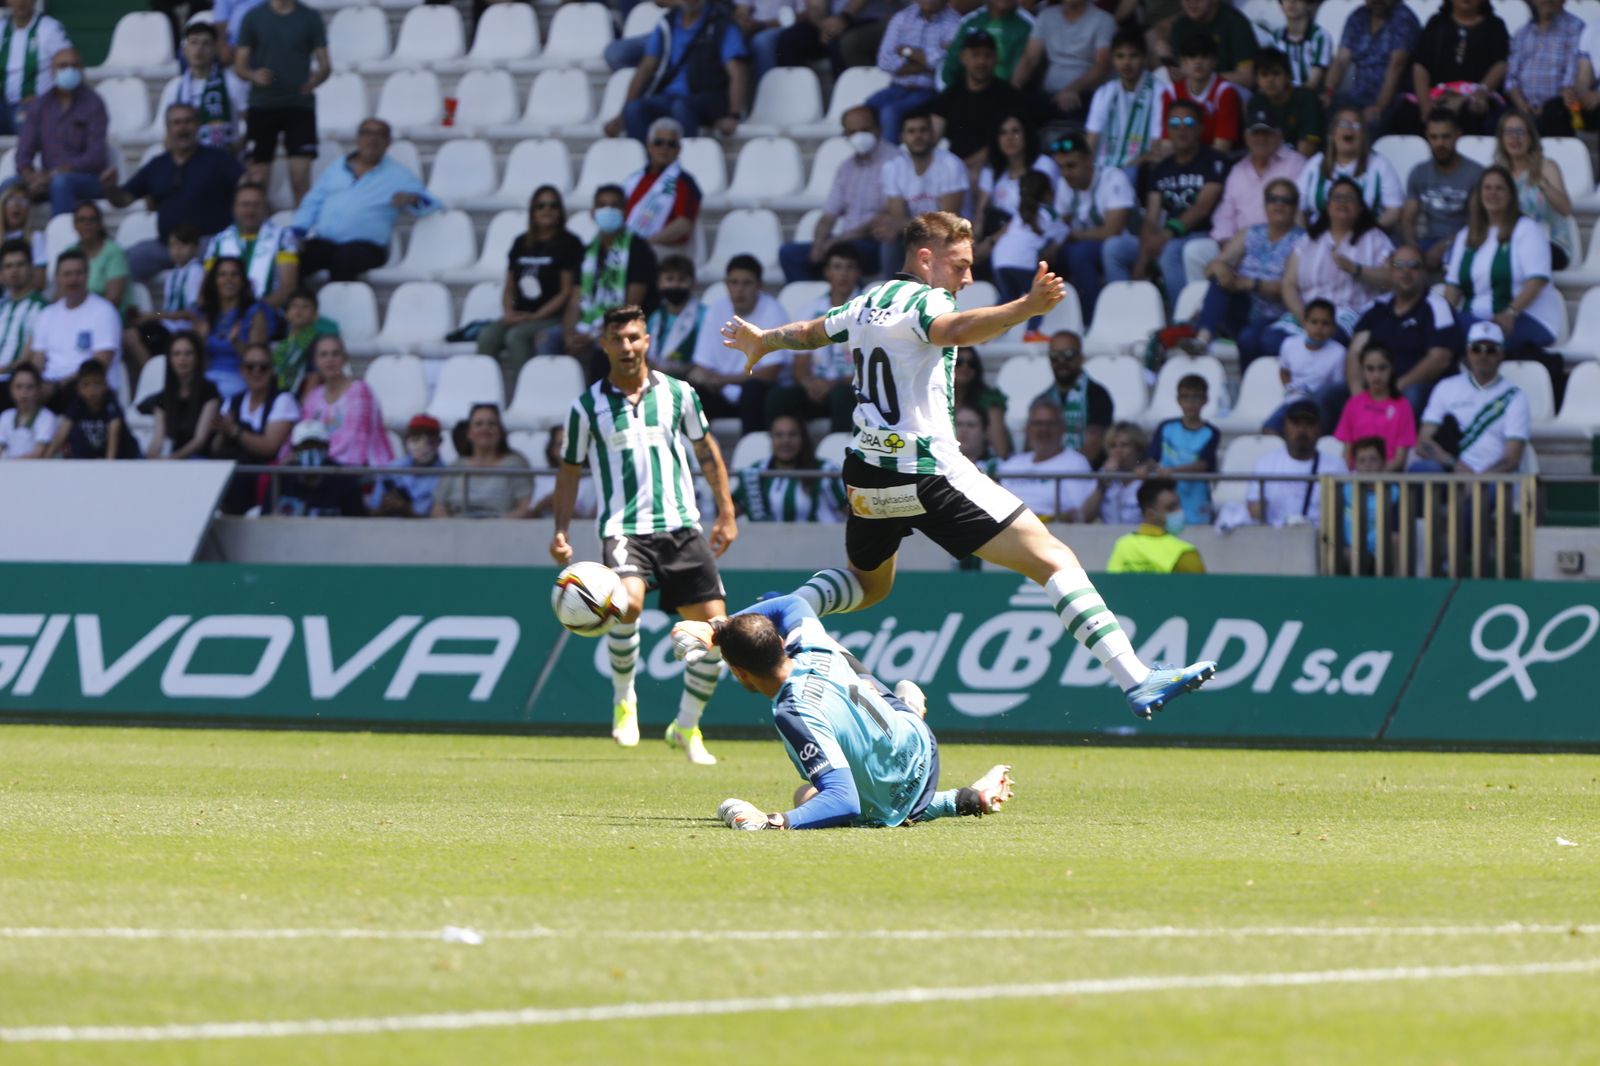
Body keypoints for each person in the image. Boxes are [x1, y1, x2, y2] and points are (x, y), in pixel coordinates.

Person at [721, 211, 1217, 719]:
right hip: (928, 471)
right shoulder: (927, 300)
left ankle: (768, 614)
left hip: (868, 475)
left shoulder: (867, 302)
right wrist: (1026, 306)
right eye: (960, 265)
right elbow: (954, 328)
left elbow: (809, 332)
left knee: (869, 587)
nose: (968, 278)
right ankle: (1135, 678)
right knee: (1053, 559)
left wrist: (765, 340)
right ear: (925, 259)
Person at [550, 305, 738, 762]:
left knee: (718, 633)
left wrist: (727, 510)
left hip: (680, 526)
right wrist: (561, 529)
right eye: (618, 339)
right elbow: (570, 469)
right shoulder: (586, 407)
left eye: (634, 337)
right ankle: (623, 699)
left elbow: (705, 450)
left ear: (648, 340)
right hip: (624, 528)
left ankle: (686, 727)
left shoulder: (679, 394)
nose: (627, 347)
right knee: (626, 602)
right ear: (605, 345)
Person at [692, 595, 1014, 830]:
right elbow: (790, 603)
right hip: (919, 744)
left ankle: (911, 721)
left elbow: (844, 800)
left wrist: (776, 822)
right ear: (779, 640)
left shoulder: (792, 712)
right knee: (842, 661)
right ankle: (915, 721)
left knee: (806, 796)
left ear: (739, 672)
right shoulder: (811, 646)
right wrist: (715, 628)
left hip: (893, 799)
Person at [1105, 99, 1226, 311]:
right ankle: (1124, 312)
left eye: (1188, 122)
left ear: (1200, 128)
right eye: (1175, 123)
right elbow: (1151, 217)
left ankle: (1182, 320)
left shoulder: (1213, 160)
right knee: (1114, 248)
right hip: (1165, 237)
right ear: (1167, 129)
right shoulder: (1161, 168)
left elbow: (1202, 207)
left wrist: (1166, 235)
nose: (1181, 129)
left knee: (1169, 252)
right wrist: (1143, 257)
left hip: (1202, 235)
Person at [102, 103, 245, 282]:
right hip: (166, 246)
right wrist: (109, 188)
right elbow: (122, 200)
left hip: (207, 245)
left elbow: (245, 186)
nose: (183, 127)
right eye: (177, 123)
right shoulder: (157, 165)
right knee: (119, 267)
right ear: (168, 128)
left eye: (188, 121)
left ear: (198, 126)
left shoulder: (218, 159)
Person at [293, 119, 439, 282]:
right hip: (326, 242)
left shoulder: (398, 174)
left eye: (380, 134)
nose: (372, 139)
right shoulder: (337, 167)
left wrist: (413, 199)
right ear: (358, 138)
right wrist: (299, 229)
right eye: (367, 133)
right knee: (291, 262)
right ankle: (296, 306)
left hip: (367, 247)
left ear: (388, 142)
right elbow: (313, 200)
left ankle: (336, 306)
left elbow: (433, 204)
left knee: (343, 261)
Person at [1442, 165, 1565, 353]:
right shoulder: (1466, 235)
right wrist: (1442, 318)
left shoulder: (1527, 230)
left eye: (1499, 188)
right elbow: (1453, 285)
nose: (1493, 193)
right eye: (1487, 188)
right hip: (1475, 319)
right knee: (1437, 334)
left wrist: (1510, 312)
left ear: (1510, 195)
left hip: (1526, 318)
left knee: (1482, 338)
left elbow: (1537, 280)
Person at [1189, 181, 1306, 367]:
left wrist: (1249, 283)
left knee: (1248, 338)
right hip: (1244, 309)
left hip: (1277, 314)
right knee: (1219, 280)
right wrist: (1221, 268)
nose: (1279, 204)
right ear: (1265, 204)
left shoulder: (1303, 240)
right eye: (1273, 199)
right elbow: (1211, 267)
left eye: (1286, 200)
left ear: (1296, 206)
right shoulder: (1251, 233)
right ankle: (1203, 339)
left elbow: (1293, 287)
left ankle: (1247, 386)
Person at [478, 185, 581, 386]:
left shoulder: (570, 243)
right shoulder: (521, 242)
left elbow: (566, 292)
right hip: (521, 314)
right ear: (532, 212)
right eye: (540, 206)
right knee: (487, 336)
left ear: (560, 211)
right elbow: (509, 285)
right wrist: (508, 312)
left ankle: (525, 390)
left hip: (552, 316)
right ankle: (484, 393)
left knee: (516, 337)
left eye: (553, 205)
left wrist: (535, 316)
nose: (547, 210)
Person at [606, 0, 750, 144]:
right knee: (634, 109)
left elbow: (737, 72)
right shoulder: (667, 23)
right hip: (669, 97)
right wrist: (622, 113)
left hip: (708, 98)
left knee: (682, 107)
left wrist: (734, 115)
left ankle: (686, 160)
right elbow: (646, 67)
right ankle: (646, 162)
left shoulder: (723, 24)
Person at [779, 106, 894, 282]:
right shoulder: (846, 168)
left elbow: (886, 214)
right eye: (853, 132)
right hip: (844, 241)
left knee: (845, 256)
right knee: (789, 254)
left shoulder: (895, 162)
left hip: (874, 243)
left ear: (878, 129)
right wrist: (819, 245)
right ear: (846, 135)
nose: (859, 137)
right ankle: (820, 302)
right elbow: (828, 216)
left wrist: (839, 241)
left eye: (865, 130)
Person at [1342, 246, 1459, 418]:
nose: (1406, 272)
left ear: (1425, 272)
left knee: (1411, 396)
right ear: (1390, 271)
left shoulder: (1438, 306)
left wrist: (1394, 389)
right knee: (1329, 396)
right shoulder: (1378, 307)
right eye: (1399, 265)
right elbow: (1354, 353)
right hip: (1375, 387)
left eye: (1414, 266)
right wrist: (1358, 395)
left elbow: (1439, 359)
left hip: (1418, 387)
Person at [1278, 175, 1394, 348]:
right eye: (1337, 197)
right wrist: (1302, 316)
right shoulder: (1309, 240)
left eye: (1350, 198)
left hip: (1350, 313)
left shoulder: (1376, 239)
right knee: (1264, 339)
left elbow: (1392, 278)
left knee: (1330, 340)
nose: (1342, 202)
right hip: (1307, 313)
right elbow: (1288, 283)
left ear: (1360, 207)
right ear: (1328, 205)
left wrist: (1356, 269)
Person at [233, 0, 330, 203]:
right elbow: (240, 66)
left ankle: (302, 232)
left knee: (301, 179)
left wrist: (315, 80)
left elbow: (325, 64)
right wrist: (254, 75)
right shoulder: (253, 17)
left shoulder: (310, 17)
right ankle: (262, 231)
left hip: (299, 106)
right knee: (257, 179)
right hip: (262, 105)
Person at [1198, 105, 1306, 283]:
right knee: (1195, 251)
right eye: (1256, 133)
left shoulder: (1296, 163)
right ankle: (1203, 304)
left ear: (1278, 135)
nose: (1261, 139)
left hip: (1279, 244)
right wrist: (1229, 244)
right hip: (1238, 244)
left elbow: (1299, 213)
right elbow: (1225, 214)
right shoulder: (1238, 170)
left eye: (1267, 133)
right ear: (1246, 137)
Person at [1409, 320, 1529, 474]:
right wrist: (1457, 466)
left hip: (1492, 479)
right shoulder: (1446, 387)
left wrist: (1478, 483)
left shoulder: (1515, 397)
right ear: (1467, 352)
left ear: (1501, 354)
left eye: (1491, 350)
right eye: (1476, 349)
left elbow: (1512, 457)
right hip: (1450, 472)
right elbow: (1423, 442)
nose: (1483, 355)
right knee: (1422, 470)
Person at [766, 242, 862, 432]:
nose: (843, 274)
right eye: (837, 267)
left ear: (858, 273)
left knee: (842, 396)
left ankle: (838, 455)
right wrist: (809, 383)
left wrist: (833, 384)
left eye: (849, 267)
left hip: (851, 389)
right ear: (827, 272)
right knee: (778, 398)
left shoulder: (869, 311)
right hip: (815, 389)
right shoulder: (810, 309)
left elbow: (871, 366)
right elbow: (800, 365)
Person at [565, 184, 658, 375]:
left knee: (603, 350)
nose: (608, 210)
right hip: (588, 325)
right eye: (602, 205)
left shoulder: (638, 250)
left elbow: (630, 306)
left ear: (625, 212)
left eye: (614, 205)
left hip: (623, 327)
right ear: (593, 213)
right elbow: (575, 301)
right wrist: (569, 335)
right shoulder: (587, 252)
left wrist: (592, 336)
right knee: (547, 339)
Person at [690, 254, 787, 433]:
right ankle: (698, 454)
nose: (739, 289)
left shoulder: (773, 311)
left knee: (753, 390)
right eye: (734, 282)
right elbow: (701, 365)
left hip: (757, 394)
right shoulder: (717, 309)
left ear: (759, 286)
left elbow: (770, 373)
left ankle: (751, 453)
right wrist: (705, 378)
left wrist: (724, 379)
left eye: (746, 283)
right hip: (722, 392)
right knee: (691, 392)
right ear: (726, 285)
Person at [1048, 133, 1134, 322]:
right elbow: (1059, 225)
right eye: (1061, 167)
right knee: (1046, 256)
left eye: (1071, 165)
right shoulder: (1065, 183)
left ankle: (1091, 320)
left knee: (1080, 254)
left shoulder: (1113, 178)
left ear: (1088, 160)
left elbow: (1113, 231)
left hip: (1125, 243)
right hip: (1087, 243)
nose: (1066, 173)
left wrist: (1072, 235)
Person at [11, 49, 107, 217]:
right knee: (10, 185)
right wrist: (31, 177)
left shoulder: (94, 104)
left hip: (86, 179)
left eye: (74, 65)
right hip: (47, 179)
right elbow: (23, 152)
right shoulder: (40, 105)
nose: (69, 70)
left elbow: (95, 156)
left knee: (61, 183)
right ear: (52, 70)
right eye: (63, 66)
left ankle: (61, 239)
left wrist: (56, 173)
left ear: (82, 69)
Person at [1392, 0, 1509, 137]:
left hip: (1475, 95)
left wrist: (1474, 95)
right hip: (1437, 96)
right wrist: (1425, 106)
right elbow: (1420, 66)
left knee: (1472, 113)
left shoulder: (1495, 25)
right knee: (1406, 114)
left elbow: (1501, 64)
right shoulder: (1436, 23)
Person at [25, 249, 121, 411]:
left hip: (85, 387)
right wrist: (34, 385)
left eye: (78, 273)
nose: (73, 280)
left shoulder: (104, 311)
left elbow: (100, 364)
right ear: (57, 279)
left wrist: (56, 386)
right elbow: (38, 361)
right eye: (67, 274)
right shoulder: (46, 314)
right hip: (50, 385)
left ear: (87, 275)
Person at [211, 341, 300, 514]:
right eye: (250, 366)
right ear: (242, 370)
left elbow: (269, 448)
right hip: (234, 470)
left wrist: (234, 431)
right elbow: (216, 448)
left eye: (263, 367)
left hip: (262, 475)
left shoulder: (283, 400)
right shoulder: (233, 401)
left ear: (272, 370)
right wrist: (221, 431)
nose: (256, 372)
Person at [880, 108, 969, 268]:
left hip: (950, 236)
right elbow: (897, 218)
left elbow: (947, 222)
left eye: (923, 130)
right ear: (902, 137)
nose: (918, 136)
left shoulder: (951, 164)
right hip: (914, 236)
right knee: (890, 242)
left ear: (933, 134)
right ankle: (895, 292)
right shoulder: (892, 168)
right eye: (911, 131)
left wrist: (904, 224)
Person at [864, 0, 960, 144]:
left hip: (929, 92)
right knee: (862, 113)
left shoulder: (956, 22)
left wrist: (905, 51)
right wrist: (925, 62)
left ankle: (889, 162)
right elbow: (884, 61)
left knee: (890, 112)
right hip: (895, 88)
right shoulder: (902, 17)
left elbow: (946, 63)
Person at [1494, 111, 1578, 270]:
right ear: (1501, 139)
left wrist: (1541, 181)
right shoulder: (1498, 172)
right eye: (1509, 132)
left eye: (1520, 132)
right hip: (1511, 242)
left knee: (1519, 256)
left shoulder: (1547, 167)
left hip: (1550, 243)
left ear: (1531, 137)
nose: (1515, 138)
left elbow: (1566, 209)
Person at [931, 30, 1027, 167]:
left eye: (987, 56)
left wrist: (967, 166)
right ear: (963, 58)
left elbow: (1007, 141)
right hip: (953, 166)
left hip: (992, 167)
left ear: (995, 59)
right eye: (975, 55)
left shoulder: (1008, 95)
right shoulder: (950, 94)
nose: (981, 61)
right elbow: (934, 133)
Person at [1401, 110, 1484, 271]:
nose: (1440, 143)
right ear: (1427, 137)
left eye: (1446, 137)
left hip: (1464, 242)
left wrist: (1446, 244)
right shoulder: (1418, 172)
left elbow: (1476, 223)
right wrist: (1412, 249)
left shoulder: (1476, 173)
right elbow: (1407, 219)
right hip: (1427, 241)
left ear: (1457, 135)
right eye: (1434, 137)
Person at [1296, 105, 1404, 228]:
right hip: (1320, 237)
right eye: (1343, 124)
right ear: (1332, 134)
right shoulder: (1316, 162)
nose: (1350, 130)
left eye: (1356, 125)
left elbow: (1395, 210)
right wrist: (1307, 235)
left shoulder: (1379, 163)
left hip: (1366, 237)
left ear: (1364, 135)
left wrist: (1367, 233)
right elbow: (1297, 206)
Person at [296, 334, 392, 468]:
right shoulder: (313, 396)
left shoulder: (360, 391)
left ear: (344, 358)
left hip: (354, 469)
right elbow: (303, 435)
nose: (330, 359)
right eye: (323, 355)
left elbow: (355, 441)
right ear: (315, 361)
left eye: (335, 354)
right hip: (320, 467)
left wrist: (320, 457)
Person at [1246, 398, 1348, 526]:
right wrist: (1258, 509)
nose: (1302, 430)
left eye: (1309, 423)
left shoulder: (1336, 466)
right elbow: (1253, 508)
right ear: (1284, 426)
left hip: (1320, 540)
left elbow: (1346, 510)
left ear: (1319, 429)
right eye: (1295, 423)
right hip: (1275, 538)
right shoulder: (1265, 465)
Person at [1011, 0, 1114, 123]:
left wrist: (1073, 89)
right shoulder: (1046, 16)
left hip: (1085, 94)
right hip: (1050, 95)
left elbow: (1102, 65)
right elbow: (1029, 59)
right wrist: (1013, 88)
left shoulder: (1103, 20)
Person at [156, 20, 250, 154]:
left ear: (215, 49)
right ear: (184, 50)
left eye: (206, 43)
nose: (199, 49)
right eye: (194, 43)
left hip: (224, 160)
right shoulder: (174, 87)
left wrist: (236, 147)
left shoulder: (232, 82)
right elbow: (167, 133)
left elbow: (254, 121)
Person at [1322, 0, 1421, 126]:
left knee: (1370, 122)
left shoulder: (1404, 19)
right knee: (1321, 110)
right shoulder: (1358, 17)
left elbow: (1397, 66)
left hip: (1393, 101)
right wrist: (1328, 92)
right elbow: (1341, 60)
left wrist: (1379, 106)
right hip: (1357, 96)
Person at [732, 414, 847, 522]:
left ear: (803, 439)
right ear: (771, 439)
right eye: (779, 435)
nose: (785, 441)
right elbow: (729, 513)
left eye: (792, 435)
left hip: (818, 541)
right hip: (768, 542)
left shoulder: (825, 471)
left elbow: (853, 513)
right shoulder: (757, 472)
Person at [204, 182, 299, 311]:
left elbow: (288, 287)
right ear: (234, 208)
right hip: (224, 317)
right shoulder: (218, 241)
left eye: (256, 205)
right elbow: (206, 287)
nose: (250, 210)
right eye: (245, 205)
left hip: (268, 315)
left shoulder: (283, 237)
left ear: (265, 208)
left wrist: (254, 312)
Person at [990, 171, 1065, 330]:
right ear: (1048, 193)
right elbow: (1064, 232)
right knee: (1037, 298)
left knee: (1007, 300)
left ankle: (987, 333)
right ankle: (1032, 332)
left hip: (1000, 260)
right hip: (1023, 262)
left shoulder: (1018, 216)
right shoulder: (1049, 212)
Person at [431, 403, 533, 519]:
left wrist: (494, 528)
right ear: (469, 433)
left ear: (500, 432)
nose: (485, 428)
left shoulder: (515, 465)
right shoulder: (456, 466)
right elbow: (437, 507)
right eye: (479, 424)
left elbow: (525, 507)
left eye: (491, 424)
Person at [997, 400, 1094, 521]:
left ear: (1062, 428)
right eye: (1037, 423)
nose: (1044, 429)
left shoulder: (1075, 462)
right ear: (1027, 428)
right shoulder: (1011, 465)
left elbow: (1079, 513)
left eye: (1050, 424)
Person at [198, 256, 279, 399]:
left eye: (234, 274)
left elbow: (257, 362)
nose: (228, 279)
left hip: (238, 379)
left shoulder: (255, 313)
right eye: (222, 275)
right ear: (214, 281)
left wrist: (236, 344)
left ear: (242, 281)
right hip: (208, 377)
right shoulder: (206, 314)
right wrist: (201, 342)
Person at [973, 113, 1055, 255]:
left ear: (1026, 134)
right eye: (1003, 133)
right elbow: (981, 213)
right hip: (996, 234)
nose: (1009, 138)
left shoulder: (1043, 165)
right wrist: (974, 242)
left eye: (1015, 131)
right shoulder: (991, 171)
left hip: (1032, 235)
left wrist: (991, 242)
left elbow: (1030, 214)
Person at [1264, 297, 1348, 434]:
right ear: (1304, 323)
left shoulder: (1339, 353)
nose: (1319, 327)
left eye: (1325, 323)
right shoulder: (1289, 344)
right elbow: (1284, 370)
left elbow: (1335, 389)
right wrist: (1289, 388)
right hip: (1293, 402)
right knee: (1270, 429)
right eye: (1314, 322)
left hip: (1320, 407)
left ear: (1333, 328)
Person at [623, 118, 703, 260]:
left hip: (665, 249)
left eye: (671, 144)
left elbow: (683, 225)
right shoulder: (635, 180)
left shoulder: (682, 182)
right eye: (659, 143)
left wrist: (645, 243)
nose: (664, 148)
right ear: (649, 145)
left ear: (679, 149)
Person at [126, 225, 205, 367]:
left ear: (195, 248)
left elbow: (192, 313)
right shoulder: (173, 274)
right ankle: (153, 371)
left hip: (183, 330)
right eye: (173, 246)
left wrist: (155, 315)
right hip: (167, 327)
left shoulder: (196, 272)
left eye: (183, 245)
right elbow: (168, 310)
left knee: (141, 336)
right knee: (137, 333)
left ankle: (157, 372)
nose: (177, 250)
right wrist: (151, 315)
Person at [1147, 373, 1220, 525]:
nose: (1190, 403)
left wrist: (1172, 471)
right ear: (1178, 400)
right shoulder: (1165, 427)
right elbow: (1151, 458)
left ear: (1205, 400)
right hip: (1167, 498)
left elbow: (1203, 464)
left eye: (1196, 397)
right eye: (1185, 397)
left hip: (1197, 499)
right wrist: (1144, 468)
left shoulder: (1211, 432)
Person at [1085, 29, 1159, 178]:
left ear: (1144, 58)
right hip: (1103, 171)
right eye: (1120, 56)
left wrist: (1125, 169)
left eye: (1133, 56)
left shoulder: (1160, 91)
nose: (1126, 63)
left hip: (1138, 170)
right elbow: (1091, 140)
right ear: (1113, 59)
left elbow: (1157, 146)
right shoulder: (1104, 92)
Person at [1032, 331, 1112, 467]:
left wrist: (1061, 467)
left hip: (1084, 474)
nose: (1061, 361)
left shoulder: (1098, 396)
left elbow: (1092, 448)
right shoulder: (1043, 399)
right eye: (1054, 356)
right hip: (1047, 474)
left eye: (1068, 355)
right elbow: (1031, 447)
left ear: (1081, 357)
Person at [1506, 0, 1586, 136]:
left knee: (1552, 113)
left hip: (1560, 108)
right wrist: (1522, 105)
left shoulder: (1576, 28)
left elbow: (1571, 76)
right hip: (1523, 107)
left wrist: (1546, 107)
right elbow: (1511, 78)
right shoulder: (1523, 32)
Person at [1334, 342, 1415, 469]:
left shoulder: (1403, 406)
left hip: (1389, 480)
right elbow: (1347, 454)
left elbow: (1400, 459)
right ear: (1362, 370)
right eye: (1370, 369)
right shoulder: (1353, 404)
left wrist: (1377, 479)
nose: (1376, 375)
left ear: (1392, 368)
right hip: (1356, 480)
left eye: (1382, 368)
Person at [1156, 34, 1243, 153]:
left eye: (1204, 56)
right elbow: (1167, 144)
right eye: (1192, 57)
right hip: (1181, 160)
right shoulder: (1170, 93)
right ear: (1182, 62)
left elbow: (1222, 148)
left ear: (1214, 61)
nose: (1198, 62)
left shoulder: (1225, 92)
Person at [142, 330, 221, 460]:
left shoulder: (210, 392)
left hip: (203, 460)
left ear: (197, 358)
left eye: (188, 353)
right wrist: (151, 457)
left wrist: (172, 459)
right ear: (170, 359)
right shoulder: (163, 397)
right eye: (176, 354)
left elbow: (199, 441)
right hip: (177, 459)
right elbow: (157, 440)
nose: (182, 359)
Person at [0, 0, 71, 137]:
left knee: (26, 123)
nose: (20, 2)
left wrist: (46, 98)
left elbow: (69, 66)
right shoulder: (2, 28)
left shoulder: (50, 28)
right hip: (3, 105)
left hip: (34, 106)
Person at [1106, 477, 1205, 573]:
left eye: (1178, 505)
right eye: (1171, 508)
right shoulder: (1185, 554)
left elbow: (1111, 586)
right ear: (1150, 514)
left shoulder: (1122, 545)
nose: (1179, 511)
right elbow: (1200, 589)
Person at [45, 357, 137, 459]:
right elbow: (64, 430)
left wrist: (109, 464)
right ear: (78, 388)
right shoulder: (77, 404)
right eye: (86, 385)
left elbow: (114, 428)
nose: (91, 390)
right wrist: (46, 458)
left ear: (105, 385)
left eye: (96, 384)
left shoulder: (110, 402)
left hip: (125, 457)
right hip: (93, 458)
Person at [274, 419, 368, 517]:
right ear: (295, 450)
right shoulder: (282, 478)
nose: (310, 451)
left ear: (327, 447)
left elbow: (357, 522)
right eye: (304, 447)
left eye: (316, 445)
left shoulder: (345, 480)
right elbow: (266, 517)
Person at [1339, 435, 1399, 574]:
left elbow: (1396, 532)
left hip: (1382, 553)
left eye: (1373, 460)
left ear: (1383, 463)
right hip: (1350, 552)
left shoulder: (1395, 492)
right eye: (1362, 460)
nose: (1367, 465)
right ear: (1355, 465)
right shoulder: (1344, 491)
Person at [1251, 47, 1326, 158]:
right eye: (1264, 74)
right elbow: (1255, 149)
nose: (1270, 80)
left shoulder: (1306, 99)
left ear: (1288, 76)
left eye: (1276, 73)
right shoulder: (1256, 103)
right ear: (1257, 79)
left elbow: (1305, 152)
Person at [1167, 0, 1259, 86]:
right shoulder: (1180, 27)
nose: (1192, 2)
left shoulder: (1235, 22)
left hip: (1232, 90)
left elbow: (1247, 78)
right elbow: (1181, 71)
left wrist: (1205, 78)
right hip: (1195, 92)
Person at [942, 0, 1032, 87]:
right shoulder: (971, 21)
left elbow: (1021, 71)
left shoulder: (1027, 25)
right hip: (967, 92)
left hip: (1005, 93)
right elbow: (951, 64)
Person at [371, 413, 445, 517]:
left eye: (429, 441)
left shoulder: (445, 476)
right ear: (407, 440)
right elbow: (372, 509)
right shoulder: (391, 469)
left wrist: (405, 508)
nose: (421, 446)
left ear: (439, 442)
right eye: (416, 439)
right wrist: (383, 508)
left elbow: (434, 519)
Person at [270, 287, 337, 396]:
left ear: (315, 315)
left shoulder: (318, 343)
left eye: (305, 307)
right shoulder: (283, 344)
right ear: (286, 313)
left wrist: (303, 406)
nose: (299, 311)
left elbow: (314, 375)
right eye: (294, 306)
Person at [644, 253, 703, 376]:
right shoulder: (655, 317)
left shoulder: (704, 316)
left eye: (681, 280)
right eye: (669, 279)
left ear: (693, 283)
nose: (675, 285)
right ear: (659, 284)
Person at [68, 201, 130, 315]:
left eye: (92, 220)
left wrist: (83, 315)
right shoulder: (70, 252)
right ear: (74, 225)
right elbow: (61, 292)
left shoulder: (114, 252)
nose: (87, 224)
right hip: (75, 315)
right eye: (82, 220)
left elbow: (114, 299)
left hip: (108, 315)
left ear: (100, 224)